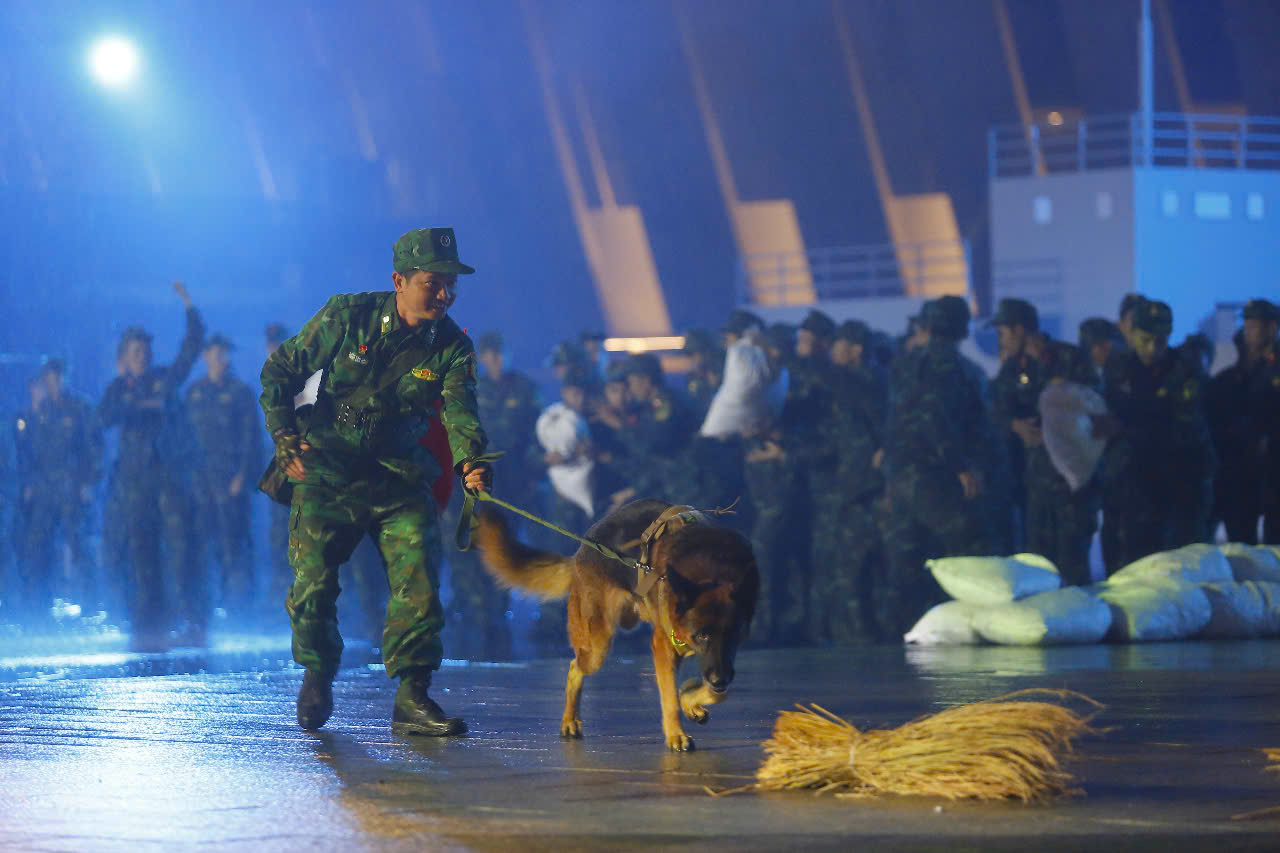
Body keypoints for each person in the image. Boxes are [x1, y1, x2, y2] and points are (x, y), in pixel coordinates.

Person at [259, 227, 491, 736]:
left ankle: (413, 696)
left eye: (452, 284)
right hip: (326, 471)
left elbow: (460, 414)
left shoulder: (452, 347)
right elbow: (280, 371)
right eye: (433, 282)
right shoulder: (347, 315)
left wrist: (471, 461)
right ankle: (317, 673)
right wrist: (283, 436)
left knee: (421, 581)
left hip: (397, 476)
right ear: (399, 281)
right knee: (314, 582)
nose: (445, 294)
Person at [100, 282, 206, 650]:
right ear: (124, 357)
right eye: (135, 351)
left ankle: (190, 619)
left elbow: (191, 350)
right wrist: (138, 408)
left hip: (168, 479)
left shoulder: (164, 379)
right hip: (135, 483)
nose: (141, 356)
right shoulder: (118, 388)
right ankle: (148, 622)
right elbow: (103, 417)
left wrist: (190, 306)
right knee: (141, 551)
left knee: (180, 550)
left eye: (145, 350)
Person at [875, 296, 989, 639]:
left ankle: (898, 639)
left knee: (905, 560)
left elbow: (895, 421)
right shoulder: (955, 366)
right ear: (962, 328)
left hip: (901, 476)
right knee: (965, 554)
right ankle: (965, 631)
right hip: (937, 478)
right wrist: (962, 467)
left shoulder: (904, 363)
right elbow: (937, 420)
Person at [1096, 299, 1215, 570]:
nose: (1152, 348)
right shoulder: (1117, 369)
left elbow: (1183, 427)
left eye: (1160, 341)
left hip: (1179, 481)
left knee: (1181, 566)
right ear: (1132, 334)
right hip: (1133, 485)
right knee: (1134, 566)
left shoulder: (1185, 370)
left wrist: (1125, 426)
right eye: (1145, 339)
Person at [989, 299, 1100, 586]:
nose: (1001, 340)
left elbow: (1093, 405)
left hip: (1072, 482)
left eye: (1003, 333)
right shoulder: (1011, 368)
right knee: (1040, 565)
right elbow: (995, 409)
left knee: (1074, 564)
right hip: (1035, 483)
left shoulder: (1069, 357)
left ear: (1019, 330)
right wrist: (1014, 425)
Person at [186, 334, 262, 620]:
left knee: (235, 543)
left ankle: (240, 605)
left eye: (224, 355)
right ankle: (209, 603)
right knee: (205, 544)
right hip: (203, 482)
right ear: (206, 357)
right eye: (215, 354)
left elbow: (250, 440)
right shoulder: (194, 393)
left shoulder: (241, 393)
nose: (219, 360)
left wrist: (242, 475)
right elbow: (186, 440)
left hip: (231, 482)